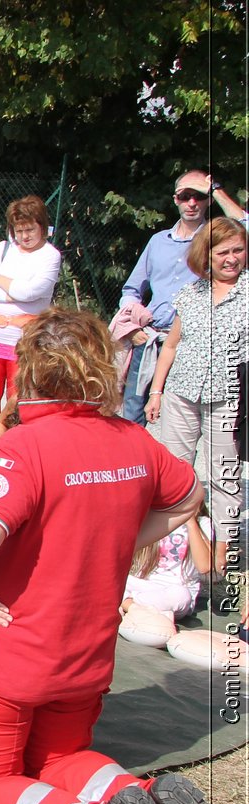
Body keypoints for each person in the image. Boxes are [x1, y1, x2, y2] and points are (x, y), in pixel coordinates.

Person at [0, 307, 242, 804]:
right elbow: (190, 495)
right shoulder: (134, 442)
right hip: (85, 663)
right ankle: (140, 797)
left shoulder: (24, 446)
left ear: (32, 371)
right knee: (61, 756)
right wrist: (125, 534)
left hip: (4, 667)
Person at [145, 217, 247, 575]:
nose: (231, 258)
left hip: (229, 399)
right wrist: (156, 391)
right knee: (175, 471)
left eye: (238, 250)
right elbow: (171, 346)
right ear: (207, 254)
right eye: (223, 252)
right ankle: (168, 549)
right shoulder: (191, 294)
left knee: (224, 477)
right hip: (182, 394)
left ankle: (222, 557)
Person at [119, 170, 248, 425]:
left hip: (190, 346)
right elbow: (131, 290)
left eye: (199, 196)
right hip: (150, 340)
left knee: (181, 425)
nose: (192, 203)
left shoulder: (216, 243)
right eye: (185, 196)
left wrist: (216, 190)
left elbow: (245, 226)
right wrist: (133, 324)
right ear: (175, 199)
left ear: (208, 200)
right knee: (132, 418)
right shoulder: (157, 242)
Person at [0, 195, 61, 456]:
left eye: (30, 229)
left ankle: (12, 453)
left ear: (42, 226)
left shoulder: (50, 256)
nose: (24, 236)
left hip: (25, 339)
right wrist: (14, 291)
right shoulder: (3, 249)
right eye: (19, 230)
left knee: (17, 399)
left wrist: (3, 283)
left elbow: (33, 291)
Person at [123, 515, 212, 619]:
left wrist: (191, 523)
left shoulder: (203, 523)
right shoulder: (154, 515)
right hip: (143, 585)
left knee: (180, 596)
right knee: (107, 578)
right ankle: (140, 609)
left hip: (173, 593)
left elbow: (204, 567)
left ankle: (127, 604)